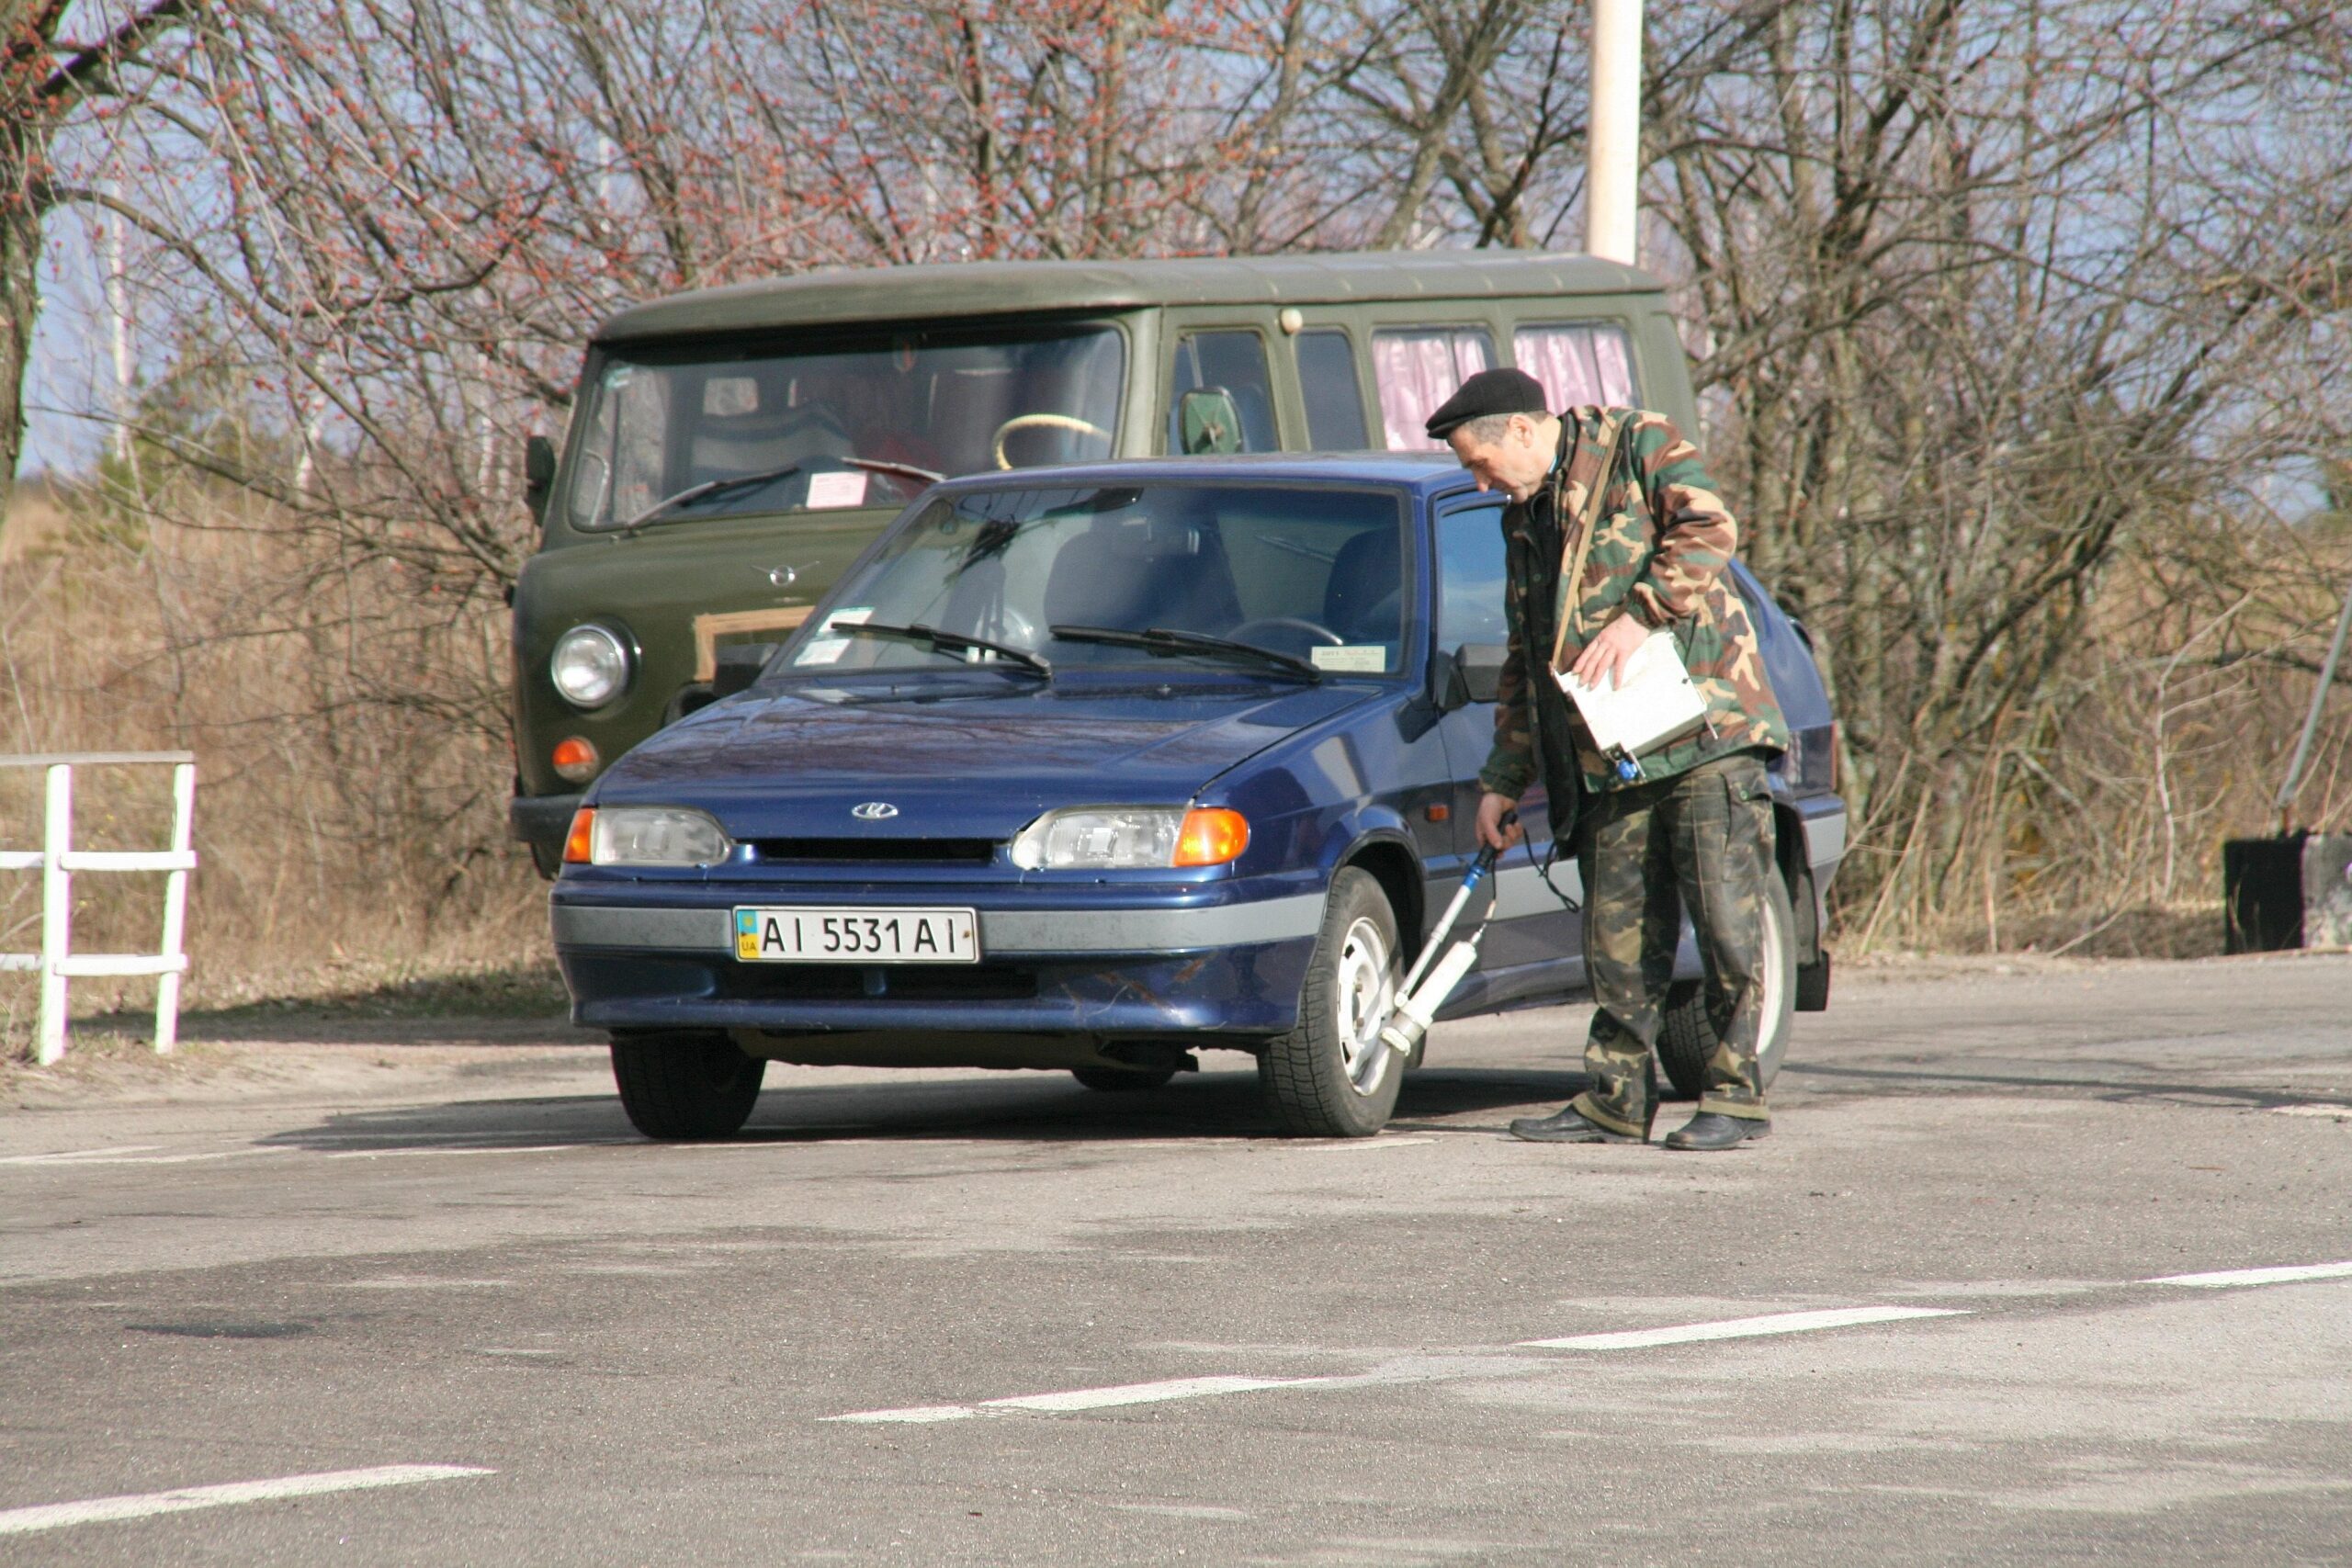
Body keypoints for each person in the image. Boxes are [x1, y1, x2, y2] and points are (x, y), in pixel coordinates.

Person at [1425, 367, 1790, 1151]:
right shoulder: (1522, 518)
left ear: (1522, 430)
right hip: (1612, 755)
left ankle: (1735, 1094)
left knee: (1727, 927)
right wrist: (1502, 780)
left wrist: (1640, 615)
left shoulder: (1636, 445)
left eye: (1480, 464)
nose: (1482, 483)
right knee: (1617, 936)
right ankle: (1614, 1096)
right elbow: (1528, 654)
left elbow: (1710, 527)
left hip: (1705, 740)